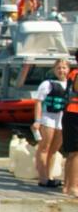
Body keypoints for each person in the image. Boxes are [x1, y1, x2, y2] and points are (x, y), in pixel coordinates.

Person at [32, 58, 69, 187]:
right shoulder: (47, 84)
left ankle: (50, 175)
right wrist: (37, 120)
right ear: (54, 70)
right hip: (48, 118)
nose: (61, 70)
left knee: (54, 150)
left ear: (68, 69)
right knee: (44, 148)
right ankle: (42, 178)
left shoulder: (70, 84)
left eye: (64, 68)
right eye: (58, 68)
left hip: (62, 119)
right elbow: (38, 102)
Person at [63, 62, 78, 197]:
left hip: (70, 114)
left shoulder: (73, 73)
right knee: (75, 153)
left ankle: (67, 186)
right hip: (74, 114)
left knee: (72, 154)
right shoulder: (76, 74)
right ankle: (73, 187)